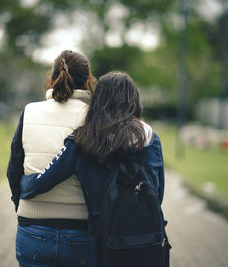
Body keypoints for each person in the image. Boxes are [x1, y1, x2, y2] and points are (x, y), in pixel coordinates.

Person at [19, 72, 167, 267]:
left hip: (102, 242)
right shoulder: (149, 137)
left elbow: (47, 178)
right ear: (134, 100)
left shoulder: (84, 138)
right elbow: (158, 193)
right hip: (147, 239)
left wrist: (24, 184)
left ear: (97, 100)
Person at [7, 50, 97, 267]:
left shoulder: (29, 111)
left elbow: (13, 170)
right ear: (87, 83)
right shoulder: (94, 116)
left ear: (51, 79)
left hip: (32, 228)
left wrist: (22, 202)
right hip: (80, 230)